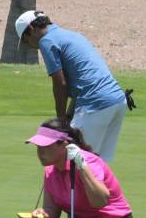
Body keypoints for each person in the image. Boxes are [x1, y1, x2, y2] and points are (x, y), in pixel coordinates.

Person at [16, 10, 131, 162]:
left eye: (25, 41)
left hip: (95, 104)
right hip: (117, 101)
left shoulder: (46, 41)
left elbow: (59, 83)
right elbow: (81, 83)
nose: (30, 46)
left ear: (30, 29)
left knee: (74, 162)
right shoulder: (71, 35)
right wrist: (69, 115)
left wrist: (61, 120)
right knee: (99, 164)